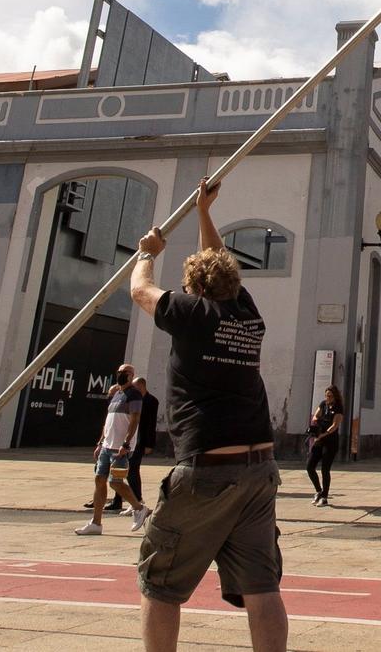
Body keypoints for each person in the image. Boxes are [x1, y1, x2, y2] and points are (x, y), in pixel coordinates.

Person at [129, 178, 286, 652]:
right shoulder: (248, 316)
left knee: (160, 580)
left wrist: (147, 252)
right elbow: (222, 268)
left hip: (208, 472)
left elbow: (140, 291)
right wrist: (202, 214)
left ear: (192, 289)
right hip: (260, 468)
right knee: (262, 587)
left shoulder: (190, 314)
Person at [76, 364, 149, 535]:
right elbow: (108, 421)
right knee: (99, 480)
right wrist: (101, 442)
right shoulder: (117, 394)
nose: (120, 375)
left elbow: (135, 419)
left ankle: (139, 508)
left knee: (115, 482)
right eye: (119, 372)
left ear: (132, 375)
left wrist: (126, 444)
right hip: (107, 446)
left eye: (124, 373)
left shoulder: (134, 394)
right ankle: (96, 523)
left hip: (119, 448)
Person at [303, 384, 343, 507]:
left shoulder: (338, 408)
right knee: (310, 467)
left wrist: (324, 434)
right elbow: (316, 415)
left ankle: (324, 497)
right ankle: (318, 491)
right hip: (319, 440)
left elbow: (335, 425)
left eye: (330, 396)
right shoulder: (323, 404)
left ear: (335, 396)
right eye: (326, 395)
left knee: (325, 469)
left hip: (330, 441)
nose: (327, 398)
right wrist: (315, 422)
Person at [127, 376, 161, 503]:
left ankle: (137, 499)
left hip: (141, 440)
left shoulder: (151, 401)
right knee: (123, 471)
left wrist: (149, 444)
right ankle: (122, 499)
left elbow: (151, 424)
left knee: (133, 470)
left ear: (141, 386)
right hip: (130, 438)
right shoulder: (133, 399)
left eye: (135, 387)